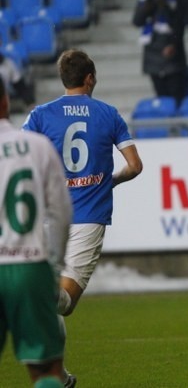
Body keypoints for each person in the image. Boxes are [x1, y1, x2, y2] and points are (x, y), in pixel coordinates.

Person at [22, 49, 143, 385]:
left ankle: (58, 375)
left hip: (50, 215)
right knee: (63, 303)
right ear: (89, 78)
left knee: (48, 301)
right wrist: (111, 180)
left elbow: (22, 154)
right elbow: (135, 165)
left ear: (64, 79)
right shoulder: (109, 114)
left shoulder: (41, 115)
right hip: (90, 217)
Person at [0, 76, 74, 388]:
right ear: (5, 101)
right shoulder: (37, 146)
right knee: (46, 371)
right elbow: (62, 212)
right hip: (31, 264)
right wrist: (54, 265)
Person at [132, 0, 187, 104]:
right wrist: (149, 4)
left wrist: (173, 45)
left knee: (176, 96)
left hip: (172, 51)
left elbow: (180, 23)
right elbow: (137, 21)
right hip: (153, 51)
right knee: (161, 97)